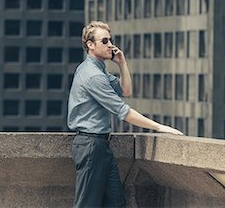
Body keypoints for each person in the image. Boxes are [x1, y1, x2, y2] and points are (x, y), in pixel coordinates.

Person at [67, 21, 184, 208]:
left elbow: (125, 90)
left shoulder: (98, 70)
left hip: (101, 145)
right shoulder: (93, 76)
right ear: (90, 44)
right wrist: (159, 127)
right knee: (87, 204)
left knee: (116, 203)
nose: (110, 45)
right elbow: (124, 112)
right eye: (104, 41)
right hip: (91, 146)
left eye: (110, 40)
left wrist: (122, 63)